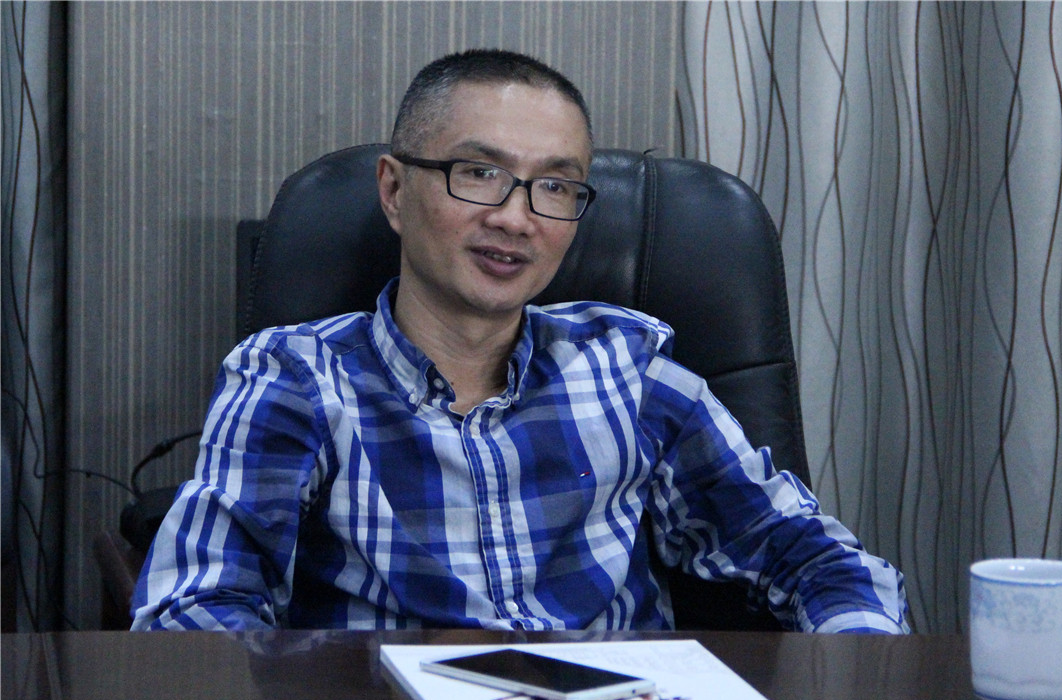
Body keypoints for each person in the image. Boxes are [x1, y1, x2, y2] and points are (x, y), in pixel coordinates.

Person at [131, 49, 909, 633]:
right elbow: (192, 608)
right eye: (478, 172)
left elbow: (816, 558)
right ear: (395, 190)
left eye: (556, 186)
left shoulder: (631, 370)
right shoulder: (294, 378)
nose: (516, 217)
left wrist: (853, 670)